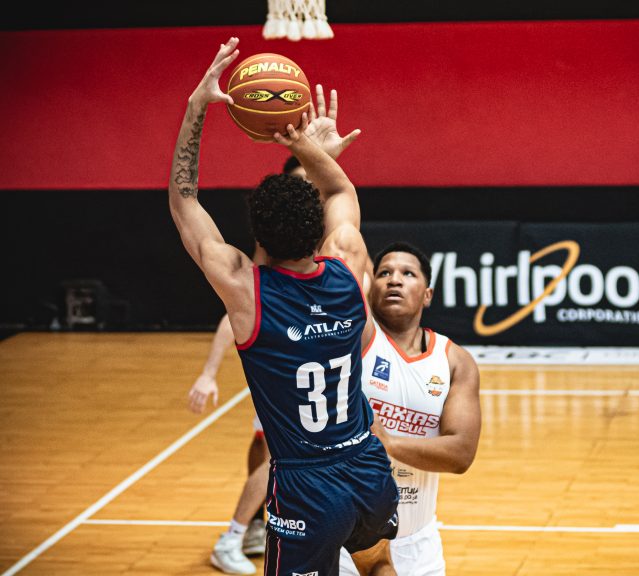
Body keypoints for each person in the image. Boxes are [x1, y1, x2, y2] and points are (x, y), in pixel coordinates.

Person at [169, 37, 398, 575]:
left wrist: (196, 106)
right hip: (366, 462)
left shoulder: (247, 292)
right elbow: (340, 192)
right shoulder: (348, 266)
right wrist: (307, 147)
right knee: (378, 565)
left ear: (258, 238)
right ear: (318, 229)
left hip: (306, 484)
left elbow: (183, 198)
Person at [189, 128, 358, 574]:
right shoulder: (281, 272)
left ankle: (249, 529)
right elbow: (235, 314)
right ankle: (234, 535)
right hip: (287, 374)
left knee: (269, 455)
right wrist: (209, 370)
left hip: (313, 373)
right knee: (270, 458)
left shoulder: (321, 264)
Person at [339, 242, 482, 576]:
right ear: (370, 286)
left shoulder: (454, 361)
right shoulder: (355, 336)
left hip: (418, 545)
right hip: (345, 543)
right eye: (384, 273)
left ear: (427, 294)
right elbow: (345, 246)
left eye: (408, 274)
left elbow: (461, 454)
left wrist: (389, 443)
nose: (394, 280)